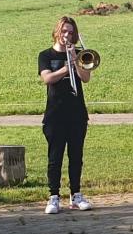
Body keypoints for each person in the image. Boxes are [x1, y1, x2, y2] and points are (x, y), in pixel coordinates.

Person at [37, 16, 94, 214]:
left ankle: (76, 195)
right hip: (55, 113)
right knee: (55, 157)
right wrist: (65, 66)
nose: (67, 36)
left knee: (76, 156)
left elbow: (85, 78)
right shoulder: (45, 55)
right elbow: (47, 78)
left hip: (77, 113)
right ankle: (53, 197)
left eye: (70, 32)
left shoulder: (79, 54)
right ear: (57, 32)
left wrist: (76, 61)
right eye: (64, 31)